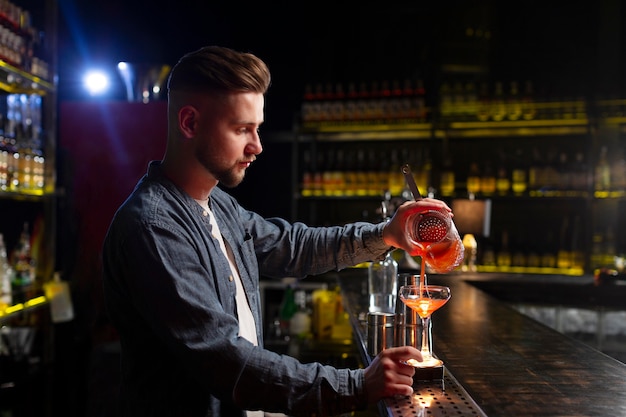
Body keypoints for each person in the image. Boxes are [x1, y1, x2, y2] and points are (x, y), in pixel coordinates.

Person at [102, 45, 454, 417]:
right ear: (189, 123)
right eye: (242, 130)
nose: (257, 146)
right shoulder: (154, 228)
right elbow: (228, 363)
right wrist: (356, 385)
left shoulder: (218, 204)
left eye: (257, 128)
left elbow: (293, 246)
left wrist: (388, 234)